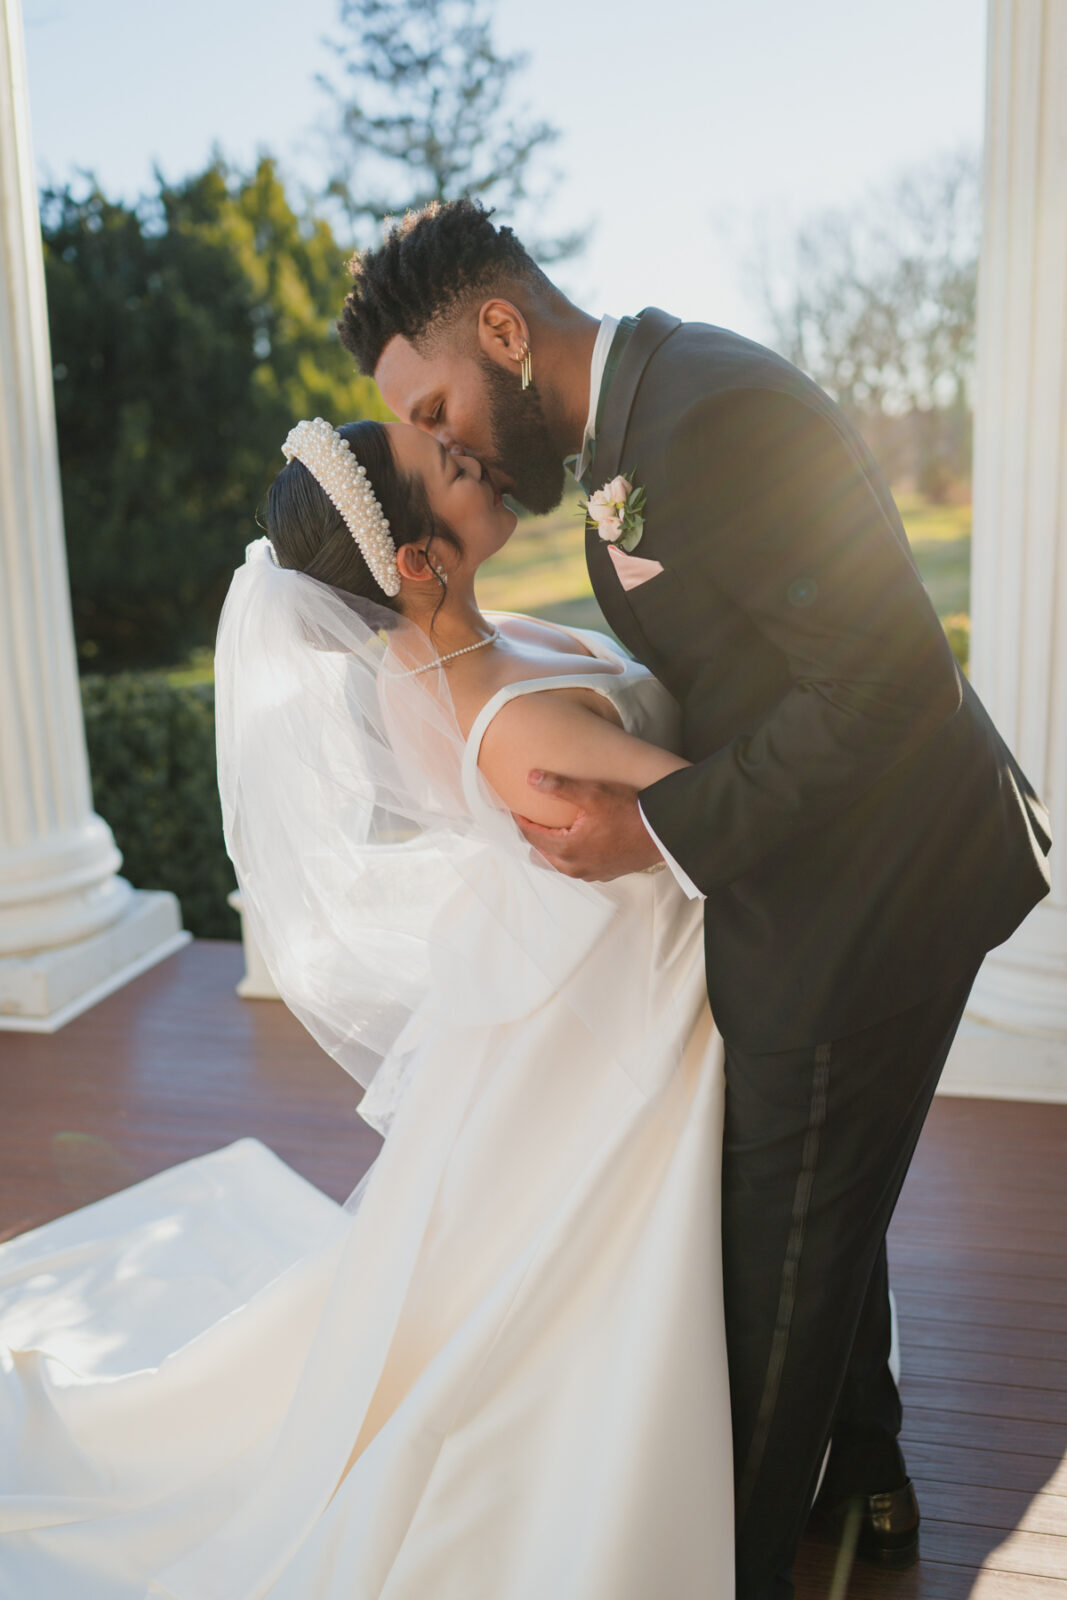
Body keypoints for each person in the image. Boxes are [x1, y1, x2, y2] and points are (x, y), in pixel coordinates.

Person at [338, 199, 1053, 1600]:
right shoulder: (638, 424)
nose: (441, 449)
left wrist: (654, 827)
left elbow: (890, 681)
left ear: (499, 330)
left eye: (432, 407)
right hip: (828, 865)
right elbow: (751, 644)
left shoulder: (706, 411)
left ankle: (716, 1563)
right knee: (817, 1213)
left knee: (763, 1276)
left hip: (875, 889)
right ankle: (867, 1491)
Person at [0, 415, 735, 1598]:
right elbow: (737, 812)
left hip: (586, 1009)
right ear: (416, 564)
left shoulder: (448, 659)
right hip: (645, 1009)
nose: (475, 451)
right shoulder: (511, 714)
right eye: (449, 465)